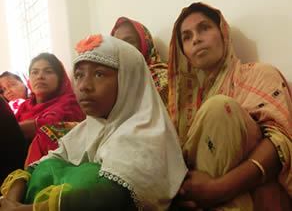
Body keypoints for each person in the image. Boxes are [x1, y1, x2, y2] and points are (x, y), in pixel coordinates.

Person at [0, 34, 187, 211]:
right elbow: (41, 164)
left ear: (128, 81)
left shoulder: (146, 132)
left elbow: (106, 197)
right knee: (48, 168)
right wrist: (11, 201)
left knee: (88, 176)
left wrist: (24, 209)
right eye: (79, 75)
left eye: (99, 74)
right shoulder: (88, 128)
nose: (84, 86)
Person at [168, 2, 292, 210]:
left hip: (260, 196)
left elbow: (281, 141)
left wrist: (217, 189)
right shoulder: (184, 106)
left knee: (219, 108)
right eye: (187, 37)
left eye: (204, 28)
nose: (196, 39)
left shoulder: (259, 74)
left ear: (223, 33)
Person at [0, 53, 85, 182]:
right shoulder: (25, 106)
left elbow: (47, 126)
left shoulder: (69, 104)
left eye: (48, 71)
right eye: (34, 72)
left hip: (38, 167)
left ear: (60, 78)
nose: (40, 76)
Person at [111, 17, 169, 106]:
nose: (122, 48)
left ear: (144, 46)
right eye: (117, 44)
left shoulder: (165, 80)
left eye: (129, 42)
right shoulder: (113, 82)